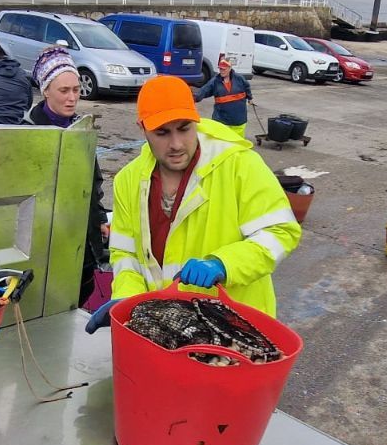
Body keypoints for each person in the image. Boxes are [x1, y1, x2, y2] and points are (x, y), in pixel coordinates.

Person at [85, 76, 302, 332]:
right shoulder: (128, 181)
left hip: (234, 329)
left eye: (185, 128)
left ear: (196, 120)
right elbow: (126, 254)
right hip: (165, 330)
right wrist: (128, 300)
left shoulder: (239, 165)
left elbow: (280, 232)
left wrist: (224, 263)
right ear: (142, 128)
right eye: (162, 132)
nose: (176, 144)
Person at [24, 46, 107, 305]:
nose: (72, 97)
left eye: (76, 90)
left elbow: (93, 182)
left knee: (82, 290)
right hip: (44, 237)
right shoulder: (29, 132)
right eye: (64, 91)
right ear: (45, 90)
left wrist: (100, 219)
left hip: (80, 236)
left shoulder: (81, 129)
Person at [194, 53, 254, 139]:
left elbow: (247, 86)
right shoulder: (215, 82)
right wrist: (193, 98)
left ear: (230, 68)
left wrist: (250, 98)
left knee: (237, 143)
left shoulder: (239, 79)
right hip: (222, 120)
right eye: (220, 69)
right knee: (222, 142)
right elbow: (203, 91)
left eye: (224, 69)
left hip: (238, 120)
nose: (221, 71)